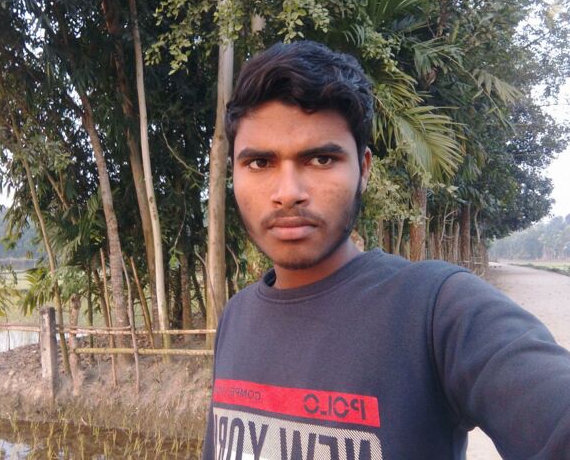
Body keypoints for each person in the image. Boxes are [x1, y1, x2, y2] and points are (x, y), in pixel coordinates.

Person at [201, 41, 570, 460]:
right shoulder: (236, 316)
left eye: (321, 159)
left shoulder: (437, 309)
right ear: (233, 173)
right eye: (259, 163)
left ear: (364, 169)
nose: (288, 193)